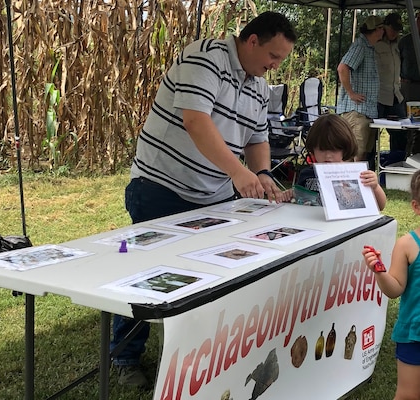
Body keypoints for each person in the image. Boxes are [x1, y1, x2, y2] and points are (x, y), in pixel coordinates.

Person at [112, 11, 297, 387]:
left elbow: (257, 140)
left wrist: (261, 174)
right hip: (160, 186)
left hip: (213, 197)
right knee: (148, 274)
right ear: (251, 41)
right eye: (273, 56)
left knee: (208, 273)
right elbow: (197, 120)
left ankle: (196, 352)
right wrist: (238, 173)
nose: (275, 65)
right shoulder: (205, 56)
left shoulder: (259, 87)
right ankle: (124, 356)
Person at [362, 169, 420, 400]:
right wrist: (379, 271)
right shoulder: (407, 245)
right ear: (416, 207)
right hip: (414, 334)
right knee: (408, 395)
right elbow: (395, 288)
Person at [289, 114, 386, 210]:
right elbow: (299, 200)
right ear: (313, 150)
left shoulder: (357, 175)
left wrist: (375, 187)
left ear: (344, 149)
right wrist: (290, 195)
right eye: (322, 149)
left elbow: (380, 206)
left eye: (334, 150)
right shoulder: (306, 174)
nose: (328, 155)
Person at [337, 15, 385, 161]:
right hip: (356, 111)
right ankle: (346, 183)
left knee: (362, 153)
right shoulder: (360, 46)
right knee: (353, 153)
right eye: (382, 28)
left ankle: (359, 183)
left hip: (366, 111)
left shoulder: (369, 47)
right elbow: (342, 68)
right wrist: (351, 93)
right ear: (377, 29)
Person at [375, 13, 408, 153]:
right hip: (379, 96)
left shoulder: (397, 44)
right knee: (372, 135)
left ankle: (397, 164)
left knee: (401, 133)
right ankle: (369, 167)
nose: (395, 33)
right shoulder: (375, 44)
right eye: (392, 29)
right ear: (384, 27)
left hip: (395, 94)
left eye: (398, 30)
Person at [399, 13, 420, 154]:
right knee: (408, 122)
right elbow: (396, 60)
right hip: (409, 86)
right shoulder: (405, 41)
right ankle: (405, 153)